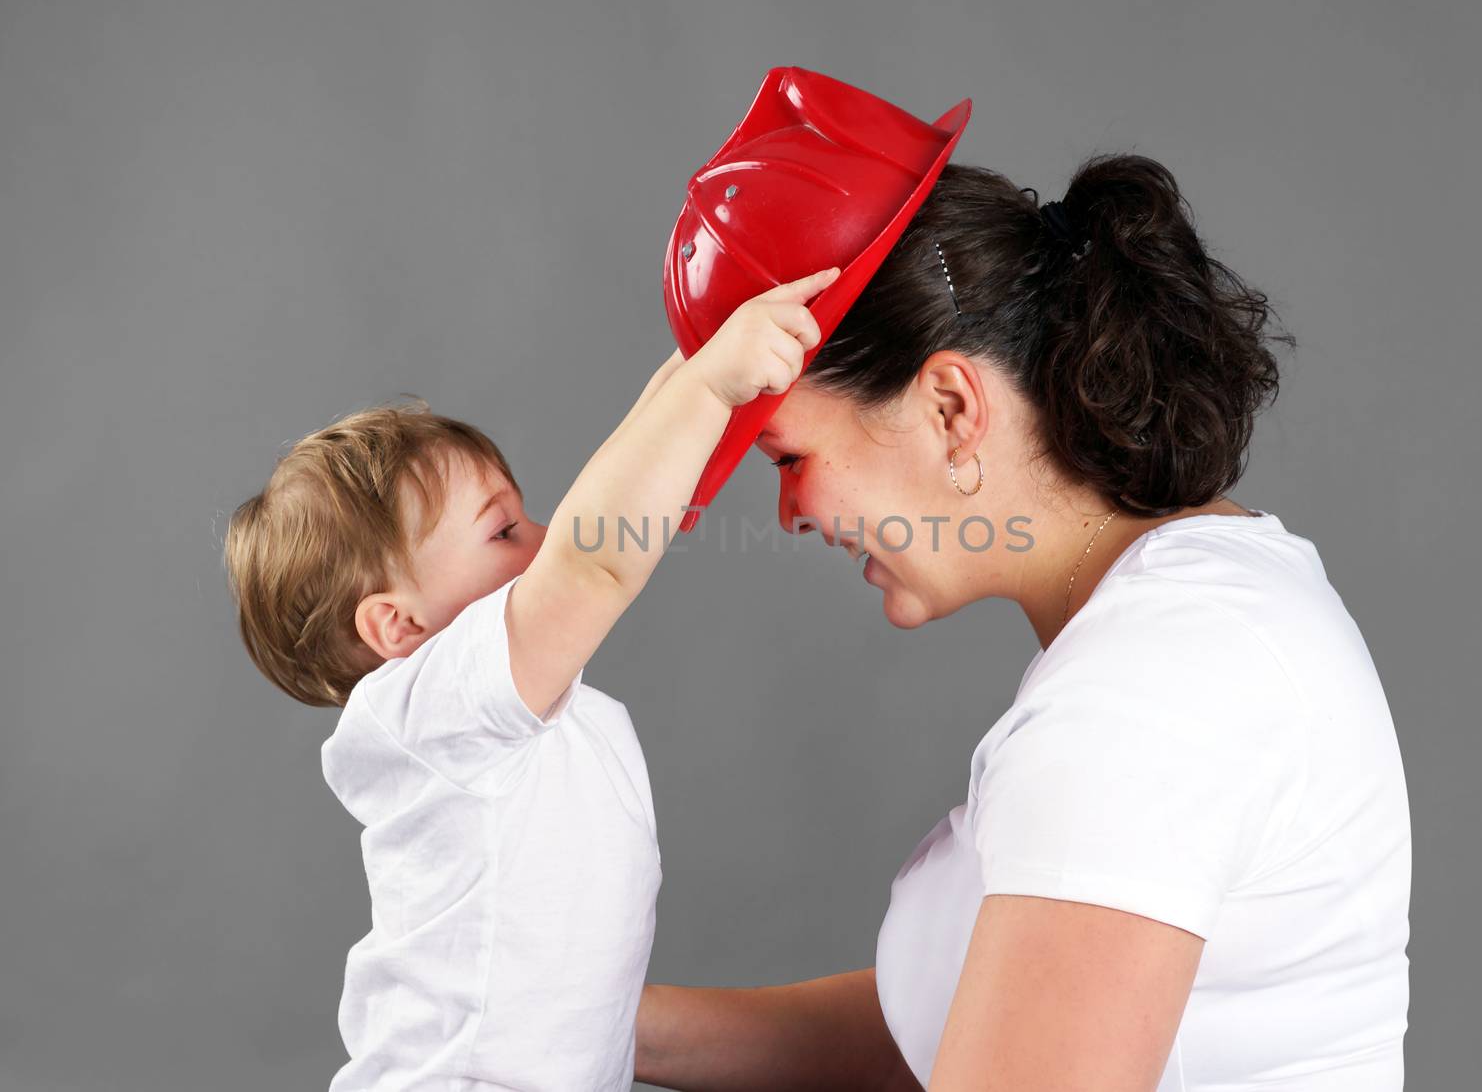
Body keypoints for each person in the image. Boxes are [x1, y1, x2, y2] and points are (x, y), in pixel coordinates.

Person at [635, 157, 1412, 1090]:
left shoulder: (1150, 693)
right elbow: (947, 1028)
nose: (790, 512)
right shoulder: (1191, 615)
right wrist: (591, 1029)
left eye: (788, 457)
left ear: (953, 407)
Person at [221, 266, 840, 1090]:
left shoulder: (526, 718)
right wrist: (707, 382)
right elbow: (595, 558)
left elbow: (612, 492)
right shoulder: (429, 711)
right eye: (504, 530)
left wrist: (695, 361)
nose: (548, 539)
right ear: (398, 626)